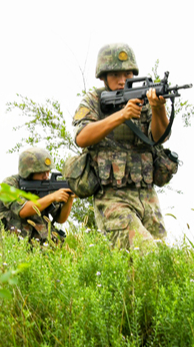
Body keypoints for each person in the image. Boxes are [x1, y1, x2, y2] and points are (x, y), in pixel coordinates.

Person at [73, 43, 168, 250]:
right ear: (103, 76)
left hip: (146, 195)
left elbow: (159, 137)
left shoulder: (142, 99)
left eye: (127, 73)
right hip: (112, 196)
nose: (122, 80)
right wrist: (121, 115)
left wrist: (158, 108)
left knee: (162, 262)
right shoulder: (94, 101)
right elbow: (81, 137)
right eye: (115, 74)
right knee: (147, 254)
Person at [0, 147, 75, 244]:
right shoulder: (10, 184)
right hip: (15, 244)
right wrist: (52, 197)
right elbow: (23, 210)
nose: (46, 176)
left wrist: (70, 196)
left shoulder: (46, 185)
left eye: (48, 171)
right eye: (42, 172)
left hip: (40, 244)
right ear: (28, 172)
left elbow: (60, 218)